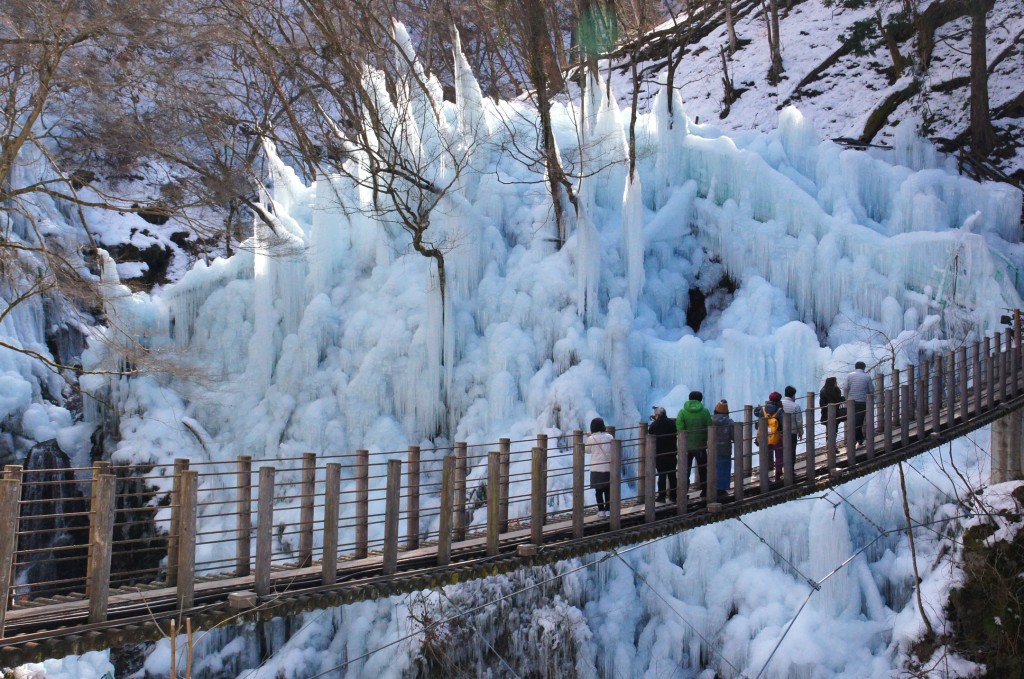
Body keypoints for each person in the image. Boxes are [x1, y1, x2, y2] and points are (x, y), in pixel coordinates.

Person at [676, 391, 713, 497]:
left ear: (689, 398)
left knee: (685, 470)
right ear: (701, 400)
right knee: (703, 469)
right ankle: (705, 491)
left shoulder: (682, 412)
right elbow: (709, 426)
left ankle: (683, 492)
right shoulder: (705, 412)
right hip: (700, 446)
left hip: (686, 447)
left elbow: (679, 428)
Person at [647, 406, 678, 502]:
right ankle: (673, 496)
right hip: (671, 452)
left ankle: (661, 496)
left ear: (657, 415)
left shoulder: (653, 425)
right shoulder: (672, 423)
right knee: (672, 474)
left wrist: (654, 421)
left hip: (660, 454)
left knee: (662, 475)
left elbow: (651, 434)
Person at [586, 417, 615, 517]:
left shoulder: (591, 439)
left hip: (596, 469)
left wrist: (589, 437)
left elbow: (587, 450)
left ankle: (601, 511)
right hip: (607, 468)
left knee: (598, 491)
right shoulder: (610, 437)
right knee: (607, 490)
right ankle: (608, 510)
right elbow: (613, 449)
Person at [754, 392, 785, 481]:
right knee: (779, 455)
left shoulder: (762, 410)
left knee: (766, 456)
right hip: (776, 436)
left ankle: (765, 477)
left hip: (765, 436)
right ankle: (778, 475)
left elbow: (758, 423)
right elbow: (783, 424)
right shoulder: (779, 410)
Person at [845, 361, 874, 446]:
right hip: (862, 401)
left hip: (851, 402)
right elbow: (871, 390)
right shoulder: (867, 377)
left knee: (852, 420)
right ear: (864, 368)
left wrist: (847, 399)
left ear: (855, 367)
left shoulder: (849, 375)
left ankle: (857, 439)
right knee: (859, 421)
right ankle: (858, 439)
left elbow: (845, 388)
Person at [711, 400, 734, 492]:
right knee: (724, 468)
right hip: (725, 449)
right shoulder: (730, 422)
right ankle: (722, 488)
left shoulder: (711, 421)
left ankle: (712, 487)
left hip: (713, 449)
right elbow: (734, 437)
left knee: (713, 468)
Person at [818, 376, 845, 449]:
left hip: (827, 414)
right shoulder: (836, 390)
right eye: (835, 382)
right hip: (834, 413)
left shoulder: (824, 390)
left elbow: (822, 404)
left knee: (830, 430)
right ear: (832, 383)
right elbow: (838, 400)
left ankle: (830, 446)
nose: (836, 383)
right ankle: (831, 447)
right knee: (834, 430)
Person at [780, 385, 805, 454]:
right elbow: (799, 421)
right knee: (792, 451)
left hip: (781, 432)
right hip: (792, 433)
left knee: (782, 451)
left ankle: (783, 464)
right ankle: (791, 464)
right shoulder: (796, 406)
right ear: (793, 395)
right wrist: (800, 433)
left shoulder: (779, 404)